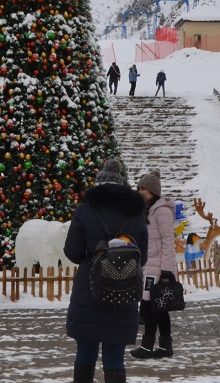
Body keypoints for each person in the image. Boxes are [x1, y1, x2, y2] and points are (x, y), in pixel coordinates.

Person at [65, 158, 148, 383]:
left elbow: (72, 252)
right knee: (114, 356)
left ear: (99, 181)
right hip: (124, 289)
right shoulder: (136, 212)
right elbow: (143, 257)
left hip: (89, 290)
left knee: (85, 352)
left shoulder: (85, 209)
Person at [130, 171, 177, 360]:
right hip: (149, 265)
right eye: (139, 188)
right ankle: (166, 347)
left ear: (153, 192)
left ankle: (147, 346)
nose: (141, 192)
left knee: (151, 307)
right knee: (159, 308)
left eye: (144, 189)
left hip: (158, 268)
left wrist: (166, 269)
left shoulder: (162, 210)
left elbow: (168, 240)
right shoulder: (146, 210)